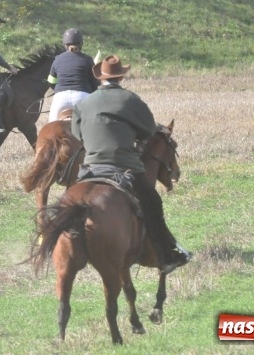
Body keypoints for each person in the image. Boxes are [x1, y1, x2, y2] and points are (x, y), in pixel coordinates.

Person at [71, 54, 192, 275]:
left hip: (91, 167)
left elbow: (77, 133)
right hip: (124, 165)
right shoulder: (131, 100)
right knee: (152, 203)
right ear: (121, 77)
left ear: (101, 78)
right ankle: (165, 257)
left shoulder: (83, 103)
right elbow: (147, 130)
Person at [47, 28, 99, 121]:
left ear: (65, 44)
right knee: (91, 127)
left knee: (51, 125)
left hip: (61, 98)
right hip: (82, 97)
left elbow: (51, 81)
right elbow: (95, 83)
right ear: (81, 44)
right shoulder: (88, 59)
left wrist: (59, 89)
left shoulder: (58, 59)